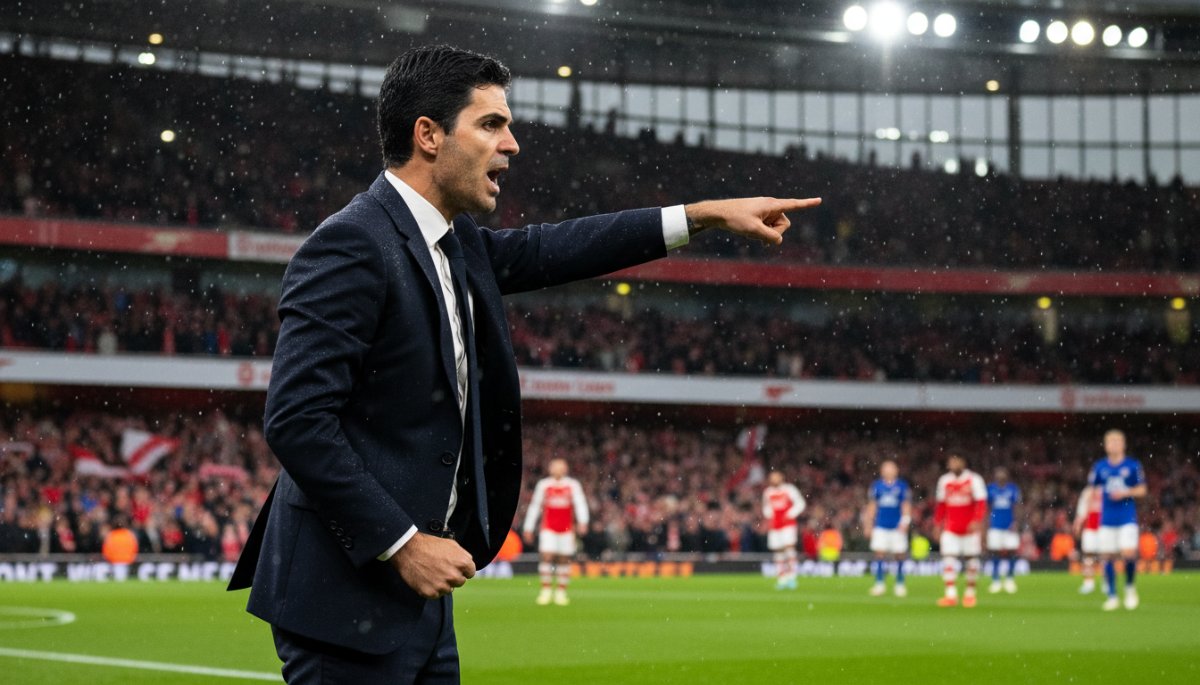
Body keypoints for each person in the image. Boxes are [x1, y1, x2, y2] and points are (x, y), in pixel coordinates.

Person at [226, 44, 821, 683]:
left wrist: (702, 216)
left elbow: (558, 247)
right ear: (428, 135)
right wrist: (402, 543)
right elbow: (296, 421)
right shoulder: (351, 244)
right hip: (347, 593)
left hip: (418, 598)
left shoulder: (454, 243)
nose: (511, 144)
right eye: (491, 124)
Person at [1089, 429, 1147, 611]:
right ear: (1106, 446)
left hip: (1126, 517)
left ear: (1123, 445)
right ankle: (1112, 596)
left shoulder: (1132, 465)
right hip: (1107, 518)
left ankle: (1129, 588)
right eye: (1110, 442)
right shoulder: (1099, 467)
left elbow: (1142, 489)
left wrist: (1126, 492)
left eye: (1117, 441)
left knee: (1128, 553)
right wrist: (1089, 512)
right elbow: (1092, 489)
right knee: (1107, 556)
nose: (1113, 445)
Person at [522, 458, 589, 606]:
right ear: (550, 469)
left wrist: (583, 521)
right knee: (547, 556)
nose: (557, 470)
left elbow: (580, 503)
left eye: (560, 467)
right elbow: (535, 506)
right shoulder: (544, 485)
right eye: (555, 467)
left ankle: (560, 592)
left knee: (564, 559)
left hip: (566, 529)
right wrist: (528, 527)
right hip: (548, 528)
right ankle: (545, 590)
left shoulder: (572, 485)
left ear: (565, 469)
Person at [934, 455, 987, 608]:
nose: (953, 464)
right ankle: (950, 594)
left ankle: (970, 594)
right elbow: (941, 505)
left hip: (970, 529)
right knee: (948, 558)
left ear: (963, 462)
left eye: (956, 461)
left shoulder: (974, 479)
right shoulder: (944, 480)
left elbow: (981, 503)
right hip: (951, 528)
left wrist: (977, 520)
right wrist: (937, 524)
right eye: (951, 461)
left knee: (971, 559)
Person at [862, 460, 911, 597]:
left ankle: (900, 583)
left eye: (891, 468)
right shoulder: (877, 486)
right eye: (886, 469)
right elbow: (872, 506)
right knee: (879, 553)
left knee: (900, 554)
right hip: (881, 525)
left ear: (896, 471)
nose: (888, 471)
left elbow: (906, 505)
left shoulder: (902, 486)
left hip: (897, 526)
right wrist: (868, 524)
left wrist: (905, 522)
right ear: (882, 471)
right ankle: (879, 583)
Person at [762, 471, 806, 590]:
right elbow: (766, 507)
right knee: (778, 551)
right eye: (772, 478)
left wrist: (790, 514)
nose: (774, 480)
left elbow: (800, 503)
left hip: (787, 524)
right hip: (775, 525)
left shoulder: (789, 489)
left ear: (781, 478)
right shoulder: (768, 492)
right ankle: (781, 578)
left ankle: (792, 577)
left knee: (789, 548)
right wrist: (769, 515)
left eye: (776, 477)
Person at [986, 467, 1021, 594]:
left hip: (1009, 525)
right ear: (995, 476)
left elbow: (1017, 506)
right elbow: (987, 507)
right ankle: (995, 579)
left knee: (1012, 551)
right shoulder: (990, 489)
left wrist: (1016, 522)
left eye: (1003, 474)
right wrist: (987, 523)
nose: (1001, 476)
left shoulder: (1013, 489)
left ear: (1007, 476)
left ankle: (1010, 578)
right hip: (995, 525)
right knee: (995, 551)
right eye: (998, 474)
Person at [1073, 483, 1103, 594]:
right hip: (1090, 527)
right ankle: (1088, 583)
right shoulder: (1087, 492)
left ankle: (1107, 582)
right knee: (1088, 557)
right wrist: (1078, 523)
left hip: (1104, 528)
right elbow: (1082, 509)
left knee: (1106, 556)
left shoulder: (1106, 489)